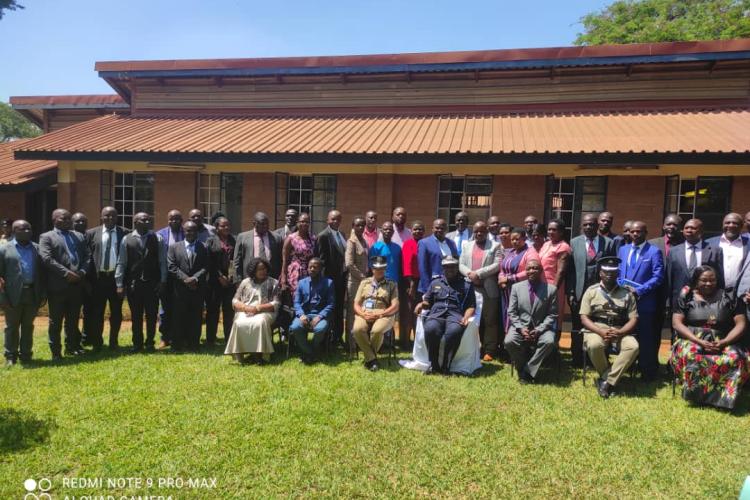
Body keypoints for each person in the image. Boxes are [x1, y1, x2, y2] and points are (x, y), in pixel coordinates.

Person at [670, 265, 749, 409]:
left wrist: (725, 342)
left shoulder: (730, 296)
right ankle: (696, 396)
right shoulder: (686, 296)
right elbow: (677, 323)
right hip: (692, 339)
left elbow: (741, 324)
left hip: (723, 340)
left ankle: (725, 398)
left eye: (712, 280)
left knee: (736, 357)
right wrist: (698, 341)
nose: (708, 283)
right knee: (692, 354)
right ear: (696, 281)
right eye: (704, 280)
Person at [581, 257, 639, 398]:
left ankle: (606, 382)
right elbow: (584, 317)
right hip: (597, 328)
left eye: (612, 272)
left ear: (618, 273)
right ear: (600, 273)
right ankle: (610, 379)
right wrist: (600, 331)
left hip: (620, 329)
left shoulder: (627, 293)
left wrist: (620, 332)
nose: (609, 275)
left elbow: (633, 318)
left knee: (633, 346)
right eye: (605, 272)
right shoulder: (591, 291)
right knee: (594, 345)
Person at [39, 209, 90, 359]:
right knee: (56, 322)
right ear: (54, 220)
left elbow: (88, 256)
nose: (68, 221)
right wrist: (66, 273)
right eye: (64, 219)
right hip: (58, 286)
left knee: (73, 320)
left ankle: (72, 347)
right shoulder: (47, 237)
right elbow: (46, 258)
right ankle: (56, 352)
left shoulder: (79, 236)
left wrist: (81, 272)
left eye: (69, 219)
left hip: (77, 284)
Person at [567, 213, 616, 366]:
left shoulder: (608, 243)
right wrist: (571, 292)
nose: (588, 227)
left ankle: (597, 359)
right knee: (577, 326)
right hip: (579, 292)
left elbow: (611, 268)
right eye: (586, 224)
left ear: (598, 226)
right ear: (582, 226)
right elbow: (570, 270)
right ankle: (577, 359)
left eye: (592, 224)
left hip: (600, 294)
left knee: (600, 325)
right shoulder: (574, 242)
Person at [618, 221, 664, 380]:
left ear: (646, 233)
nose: (635, 234)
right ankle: (627, 367)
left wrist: (639, 291)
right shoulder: (623, 250)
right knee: (627, 336)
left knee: (646, 337)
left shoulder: (654, 252)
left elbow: (658, 277)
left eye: (639, 231)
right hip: (624, 303)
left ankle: (647, 372)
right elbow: (619, 273)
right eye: (632, 231)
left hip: (644, 302)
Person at [415, 256, 476, 375]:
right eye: (447, 267)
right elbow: (428, 302)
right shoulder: (435, 282)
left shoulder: (466, 285)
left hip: (455, 314)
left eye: (452, 267)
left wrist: (466, 317)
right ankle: (434, 366)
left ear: (457, 268)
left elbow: (471, 306)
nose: (450, 269)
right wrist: (421, 304)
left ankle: (446, 366)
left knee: (454, 332)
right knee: (431, 329)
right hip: (437, 313)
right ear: (443, 268)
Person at [115, 212, 167, 352]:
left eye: (148, 219)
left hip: (152, 284)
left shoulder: (158, 238)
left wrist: (163, 281)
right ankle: (137, 343)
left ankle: (150, 342)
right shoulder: (127, 239)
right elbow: (121, 263)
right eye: (143, 219)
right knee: (136, 316)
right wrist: (119, 283)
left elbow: (162, 261)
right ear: (135, 222)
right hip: (134, 285)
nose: (147, 221)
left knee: (151, 315)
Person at [505, 259, 558, 383]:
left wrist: (539, 330)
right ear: (525, 271)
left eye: (535, 268)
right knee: (509, 341)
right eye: (528, 268)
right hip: (520, 327)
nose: (531, 271)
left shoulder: (551, 289)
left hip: (541, 327)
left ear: (541, 271)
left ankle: (527, 371)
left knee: (549, 341)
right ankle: (522, 367)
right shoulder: (516, 288)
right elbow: (511, 312)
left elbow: (552, 314)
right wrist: (521, 328)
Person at [0, 220, 45, 366]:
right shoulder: (4, 249)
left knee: (28, 325)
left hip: (32, 293)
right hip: (12, 294)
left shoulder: (37, 249)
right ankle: (10, 356)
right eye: (22, 229)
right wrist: (3, 297)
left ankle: (26, 354)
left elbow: (42, 274)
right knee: (11, 327)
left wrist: (42, 294)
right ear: (14, 231)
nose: (26, 231)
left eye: (28, 229)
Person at [84, 206, 128, 351]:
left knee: (116, 312)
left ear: (117, 217)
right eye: (106, 216)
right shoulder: (91, 234)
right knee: (97, 312)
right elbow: (87, 258)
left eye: (113, 216)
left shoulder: (125, 233)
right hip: (98, 279)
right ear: (101, 217)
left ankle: (113, 342)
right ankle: (97, 342)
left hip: (116, 280)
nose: (110, 218)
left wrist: (123, 282)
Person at [459, 221, 502, 361]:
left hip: (488, 289)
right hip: (471, 288)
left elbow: (497, 264)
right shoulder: (467, 245)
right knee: (471, 319)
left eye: (482, 231)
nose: (479, 234)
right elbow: (461, 264)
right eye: (476, 231)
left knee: (489, 320)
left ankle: (489, 350)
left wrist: (479, 274)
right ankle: (472, 347)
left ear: (487, 231)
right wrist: (470, 274)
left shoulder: (495, 246)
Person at [224, 257, 280, 364]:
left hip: (265, 311)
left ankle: (260, 355)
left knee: (260, 322)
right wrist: (245, 308)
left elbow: (276, 303)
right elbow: (235, 300)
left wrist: (258, 308)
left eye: (264, 269)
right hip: (245, 310)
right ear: (253, 270)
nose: (263, 271)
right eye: (259, 269)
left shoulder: (273, 282)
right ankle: (240, 355)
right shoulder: (245, 282)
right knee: (239, 323)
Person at [352, 256, 399, 371]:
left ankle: (369, 358)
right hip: (365, 312)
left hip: (383, 314)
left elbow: (395, 306)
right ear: (372, 269)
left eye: (382, 268)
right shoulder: (364, 283)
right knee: (357, 329)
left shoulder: (391, 284)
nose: (380, 271)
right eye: (377, 268)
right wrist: (362, 315)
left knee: (377, 331)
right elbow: (356, 304)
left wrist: (380, 314)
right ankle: (372, 359)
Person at [167, 221, 209, 352]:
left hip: (197, 288)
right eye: (188, 230)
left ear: (197, 232)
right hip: (180, 289)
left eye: (193, 230)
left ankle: (194, 344)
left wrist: (194, 278)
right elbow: (172, 266)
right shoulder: (174, 247)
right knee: (178, 317)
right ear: (183, 231)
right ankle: (177, 345)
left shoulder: (203, 247)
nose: (190, 233)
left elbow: (206, 266)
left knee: (196, 317)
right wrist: (186, 279)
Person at [667, 218, 723, 309]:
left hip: (707, 300)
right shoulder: (674, 251)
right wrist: (667, 303)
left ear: (701, 231)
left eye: (693, 228)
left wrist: (719, 298)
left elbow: (720, 276)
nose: (689, 230)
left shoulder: (715, 250)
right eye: (686, 228)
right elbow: (669, 278)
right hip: (679, 299)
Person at [289, 257, 335, 364]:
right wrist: (301, 315)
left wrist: (319, 317)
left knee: (320, 329)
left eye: (315, 267)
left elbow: (331, 304)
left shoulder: (329, 283)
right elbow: (296, 302)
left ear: (321, 269)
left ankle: (310, 350)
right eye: (310, 267)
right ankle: (310, 352)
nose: (312, 269)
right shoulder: (301, 283)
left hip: (320, 315)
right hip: (304, 314)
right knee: (295, 327)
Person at [498, 227, 540, 337]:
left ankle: (519, 341)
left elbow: (531, 271)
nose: (514, 242)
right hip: (506, 290)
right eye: (512, 239)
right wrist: (501, 279)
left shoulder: (530, 252)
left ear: (525, 238)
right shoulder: (511, 252)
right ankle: (506, 342)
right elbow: (502, 268)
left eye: (517, 239)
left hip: (521, 290)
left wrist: (509, 279)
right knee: (507, 314)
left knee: (518, 315)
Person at [314, 210, 348, 345]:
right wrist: (324, 281)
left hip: (341, 280)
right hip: (329, 280)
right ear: (327, 220)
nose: (336, 221)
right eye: (333, 219)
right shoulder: (323, 236)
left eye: (338, 219)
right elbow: (321, 260)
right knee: (329, 309)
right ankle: (327, 338)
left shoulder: (342, 235)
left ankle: (338, 337)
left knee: (340, 309)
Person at [205, 216, 237, 345]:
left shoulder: (234, 240)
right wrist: (219, 276)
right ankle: (210, 339)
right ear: (216, 227)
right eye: (223, 226)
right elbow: (208, 262)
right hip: (214, 281)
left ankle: (228, 338)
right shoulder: (211, 241)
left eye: (228, 225)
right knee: (213, 310)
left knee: (229, 311)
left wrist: (231, 277)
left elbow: (237, 259)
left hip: (230, 280)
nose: (226, 228)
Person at [156, 209, 185, 349]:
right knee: (165, 309)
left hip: (183, 277)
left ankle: (179, 337)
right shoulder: (160, 234)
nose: (174, 221)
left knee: (180, 308)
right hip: (166, 277)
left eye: (177, 219)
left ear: (182, 220)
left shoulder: (187, 233)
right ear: (168, 220)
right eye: (172, 219)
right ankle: (165, 338)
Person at [538, 219, 571, 331]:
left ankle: (554, 345)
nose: (551, 232)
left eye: (554, 230)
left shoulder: (563, 247)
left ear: (561, 232)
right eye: (549, 229)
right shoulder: (546, 244)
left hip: (553, 287)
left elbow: (561, 271)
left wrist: (553, 291)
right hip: (541, 286)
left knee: (553, 316)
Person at [234, 211, 282, 281]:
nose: (265, 226)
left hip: (271, 278)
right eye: (262, 224)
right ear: (254, 224)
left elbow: (280, 260)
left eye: (267, 223)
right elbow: (237, 261)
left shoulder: (277, 237)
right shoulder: (242, 237)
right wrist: (238, 280)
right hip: (249, 278)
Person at [707, 212, 749, 290]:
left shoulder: (748, 244)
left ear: (741, 226)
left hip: (740, 293)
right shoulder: (709, 243)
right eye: (727, 223)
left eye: (735, 223)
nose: (731, 225)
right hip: (715, 292)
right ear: (722, 225)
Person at [345, 216, 368, 348]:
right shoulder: (351, 242)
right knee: (352, 312)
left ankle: (359, 341)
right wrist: (362, 277)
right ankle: (350, 343)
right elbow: (349, 264)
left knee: (361, 311)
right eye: (358, 225)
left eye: (362, 225)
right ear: (353, 226)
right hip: (354, 282)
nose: (360, 228)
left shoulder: (363, 241)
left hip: (362, 282)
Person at [417, 218, 458, 294]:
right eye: (437, 228)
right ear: (432, 229)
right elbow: (422, 267)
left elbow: (455, 262)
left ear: (446, 229)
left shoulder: (451, 243)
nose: (439, 230)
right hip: (432, 285)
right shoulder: (424, 243)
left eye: (442, 228)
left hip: (450, 286)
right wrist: (427, 290)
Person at [280, 212, 316, 297]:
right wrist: (283, 279)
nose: (304, 224)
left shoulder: (313, 238)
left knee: (309, 298)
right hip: (295, 273)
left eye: (307, 222)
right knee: (297, 299)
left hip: (310, 272)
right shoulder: (290, 239)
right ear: (297, 222)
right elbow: (285, 261)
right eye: (302, 221)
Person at [400, 220, 425, 348]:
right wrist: (411, 284)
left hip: (422, 282)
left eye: (420, 229)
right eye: (415, 229)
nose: (418, 231)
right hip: (410, 282)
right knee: (408, 312)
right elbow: (407, 264)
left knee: (419, 312)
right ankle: (405, 341)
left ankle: (417, 340)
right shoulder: (408, 244)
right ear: (411, 231)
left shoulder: (424, 244)